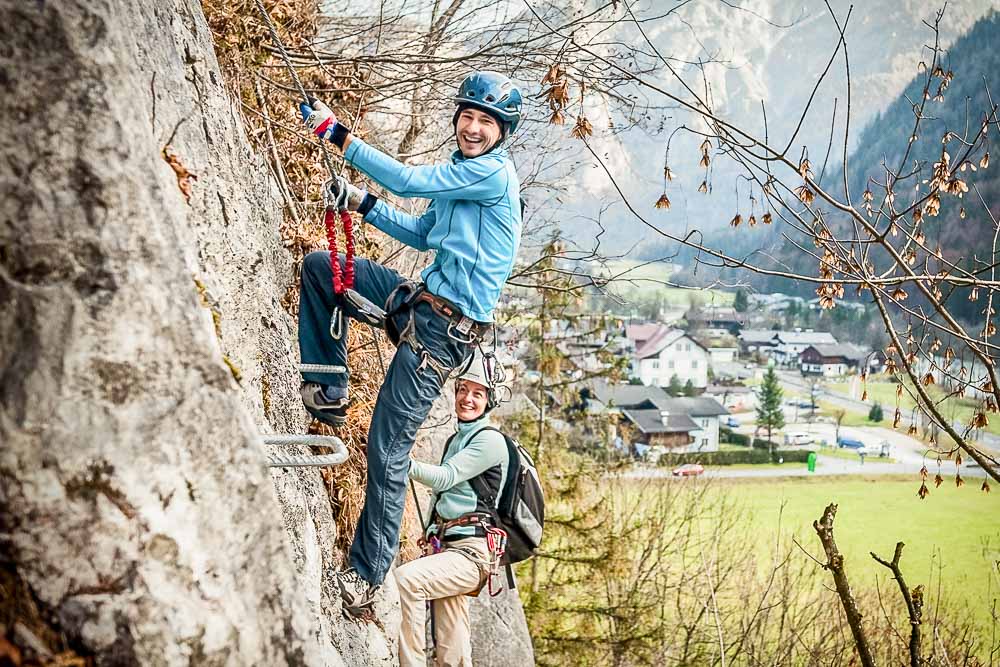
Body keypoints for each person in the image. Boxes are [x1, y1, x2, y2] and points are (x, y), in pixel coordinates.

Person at [295, 71, 523, 618]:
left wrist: (338, 135)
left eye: (484, 121)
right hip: (423, 305)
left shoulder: (491, 175)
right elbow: (423, 234)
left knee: (388, 449)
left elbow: (406, 179)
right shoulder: (466, 176)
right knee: (324, 269)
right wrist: (360, 203)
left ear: (501, 132)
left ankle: (369, 577)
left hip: (443, 334)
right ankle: (327, 389)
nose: (471, 127)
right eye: (467, 116)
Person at [396, 351, 508, 667]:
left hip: (472, 554)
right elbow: (443, 492)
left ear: (490, 400)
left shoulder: (490, 441)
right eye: (462, 390)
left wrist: (402, 462)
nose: (467, 399)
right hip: (449, 547)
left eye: (478, 393)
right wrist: (431, 530)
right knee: (453, 640)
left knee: (408, 581)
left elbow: (446, 476)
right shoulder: (456, 440)